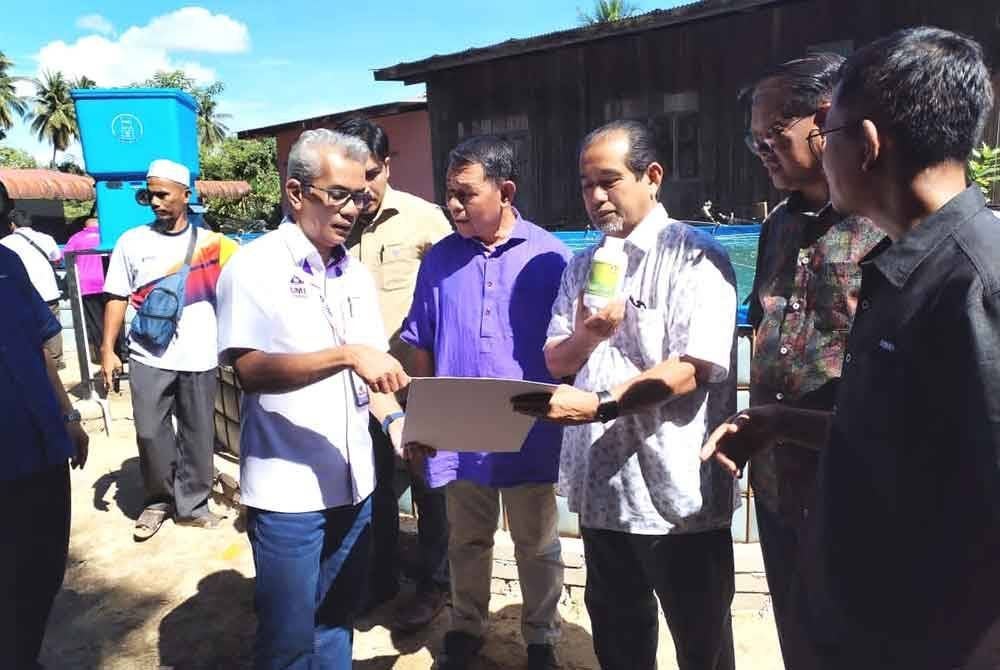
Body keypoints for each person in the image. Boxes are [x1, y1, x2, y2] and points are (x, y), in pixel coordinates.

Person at [703, 27, 1000, 669]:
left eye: (777, 136)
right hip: (814, 491)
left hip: (911, 587)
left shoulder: (970, 281)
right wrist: (779, 422)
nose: (763, 152)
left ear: (857, 143)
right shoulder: (812, 232)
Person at [513, 120, 738, 670]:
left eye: (608, 181)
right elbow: (555, 359)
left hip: (678, 497)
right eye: (586, 184)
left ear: (652, 176)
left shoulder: (696, 256)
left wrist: (599, 406)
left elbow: (694, 366)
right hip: (604, 488)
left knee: (701, 642)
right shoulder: (583, 263)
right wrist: (589, 333)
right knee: (618, 637)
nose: (595, 197)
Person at [216, 128, 429, 669]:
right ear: (295, 193)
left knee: (337, 621)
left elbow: (374, 378)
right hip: (289, 492)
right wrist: (346, 356)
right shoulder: (254, 266)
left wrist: (399, 424)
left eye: (358, 196)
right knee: (288, 639)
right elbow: (250, 370)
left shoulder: (353, 274)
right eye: (337, 194)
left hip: (354, 484)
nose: (351, 209)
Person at [401, 135, 570, 670]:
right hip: (459, 425)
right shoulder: (440, 261)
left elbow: (569, 347)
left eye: (466, 194)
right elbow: (420, 343)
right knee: (467, 539)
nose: (453, 204)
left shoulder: (551, 256)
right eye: (449, 193)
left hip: (529, 426)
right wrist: (422, 417)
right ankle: (467, 625)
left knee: (536, 542)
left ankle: (541, 635)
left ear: (505, 190)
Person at [740, 54, 883, 668]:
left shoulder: (885, 223)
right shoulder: (779, 225)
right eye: (755, 141)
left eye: (773, 135)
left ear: (823, 121)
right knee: (799, 638)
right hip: (777, 482)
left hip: (858, 487)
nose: (763, 151)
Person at [338, 116, 454, 629]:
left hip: (414, 384)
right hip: (352, 386)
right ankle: (380, 577)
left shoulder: (423, 219)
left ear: (387, 164)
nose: (360, 190)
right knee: (372, 488)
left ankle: (435, 585)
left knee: (432, 486)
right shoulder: (334, 219)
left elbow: (454, 290)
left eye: (370, 173)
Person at [101, 159, 237, 541]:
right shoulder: (131, 241)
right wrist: (107, 349)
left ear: (185, 195)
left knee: (198, 432)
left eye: (163, 194)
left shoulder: (216, 246)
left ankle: (192, 506)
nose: (156, 202)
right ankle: (158, 500)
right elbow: (115, 296)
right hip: (147, 353)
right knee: (148, 430)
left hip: (199, 354)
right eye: (150, 195)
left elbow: (239, 295)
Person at [0, 240, 89, 670]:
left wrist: (68, 415)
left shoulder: (7, 262)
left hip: (43, 446)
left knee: (44, 567)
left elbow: (39, 346)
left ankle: (23, 656)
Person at [2, 209, 65, 368]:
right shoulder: (46, 238)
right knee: (51, 325)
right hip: (48, 290)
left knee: (26, 327)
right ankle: (56, 361)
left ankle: (34, 360)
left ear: (12, 225)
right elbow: (57, 259)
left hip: (22, 293)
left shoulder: (4, 243)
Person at [63, 216, 126, 363]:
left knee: (97, 322)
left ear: (85, 226)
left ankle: (102, 355)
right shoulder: (110, 237)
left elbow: (64, 257)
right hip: (111, 283)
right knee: (116, 319)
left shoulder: (76, 238)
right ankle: (121, 352)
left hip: (88, 286)